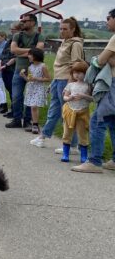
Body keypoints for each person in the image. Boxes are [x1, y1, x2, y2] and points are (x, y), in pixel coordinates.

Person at [30, 17, 85, 149]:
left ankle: (72, 145)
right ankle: (43, 136)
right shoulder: (65, 42)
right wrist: (53, 82)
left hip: (66, 81)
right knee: (53, 111)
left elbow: (75, 65)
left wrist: (70, 85)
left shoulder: (75, 44)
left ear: (73, 29)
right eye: (60, 28)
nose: (62, 31)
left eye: (65, 29)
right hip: (58, 79)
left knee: (67, 113)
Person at [72, 8, 115, 174]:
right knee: (113, 122)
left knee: (98, 121)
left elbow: (101, 60)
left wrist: (100, 58)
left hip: (112, 84)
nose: (107, 21)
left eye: (108, 18)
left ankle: (94, 161)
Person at [6, 13, 44, 129]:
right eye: (22, 21)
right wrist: (31, 51)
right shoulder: (17, 35)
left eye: (25, 21)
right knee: (16, 96)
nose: (22, 23)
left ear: (33, 22)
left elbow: (38, 51)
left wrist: (21, 52)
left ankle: (27, 120)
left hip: (34, 71)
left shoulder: (39, 36)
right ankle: (17, 119)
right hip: (19, 70)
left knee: (30, 96)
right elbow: (13, 50)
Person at [59, 61, 92, 163]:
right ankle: (65, 153)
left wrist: (83, 96)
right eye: (75, 72)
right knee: (67, 132)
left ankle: (84, 156)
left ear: (86, 73)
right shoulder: (70, 85)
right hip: (70, 110)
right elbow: (64, 97)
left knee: (82, 134)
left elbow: (92, 98)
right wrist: (69, 98)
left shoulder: (88, 86)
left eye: (80, 72)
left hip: (82, 112)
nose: (77, 74)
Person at [21, 48, 50, 135]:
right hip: (31, 88)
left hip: (39, 88)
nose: (28, 56)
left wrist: (36, 78)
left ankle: (35, 125)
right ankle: (35, 125)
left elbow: (48, 78)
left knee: (34, 106)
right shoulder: (30, 67)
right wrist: (23, 76)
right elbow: (29, 80)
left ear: (36, 56)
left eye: (30, 54)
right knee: (32, 107)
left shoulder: (43, 66)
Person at [0, 22, 21, 116]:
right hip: (5, 68)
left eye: (13, 29)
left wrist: (6, 65)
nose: (11, 31)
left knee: (14, 92)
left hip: (11, 69)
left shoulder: (19, 41)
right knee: (9, 90)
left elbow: (16, 56)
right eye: (11, 29)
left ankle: (15, 111)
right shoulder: (10, 40)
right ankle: (12, 110)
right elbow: (3, 54)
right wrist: (0, 64)